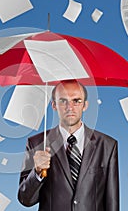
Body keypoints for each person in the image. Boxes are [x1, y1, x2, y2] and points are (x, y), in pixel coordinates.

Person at [18, 79, 119, 211]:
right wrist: (37, 172)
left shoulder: (107, 145)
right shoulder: (37, 144)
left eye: (76, 101)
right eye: (63, 101)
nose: (69, 107)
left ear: (85, 105)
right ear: (54, 105)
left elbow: (112, 202)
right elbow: (25, 199)